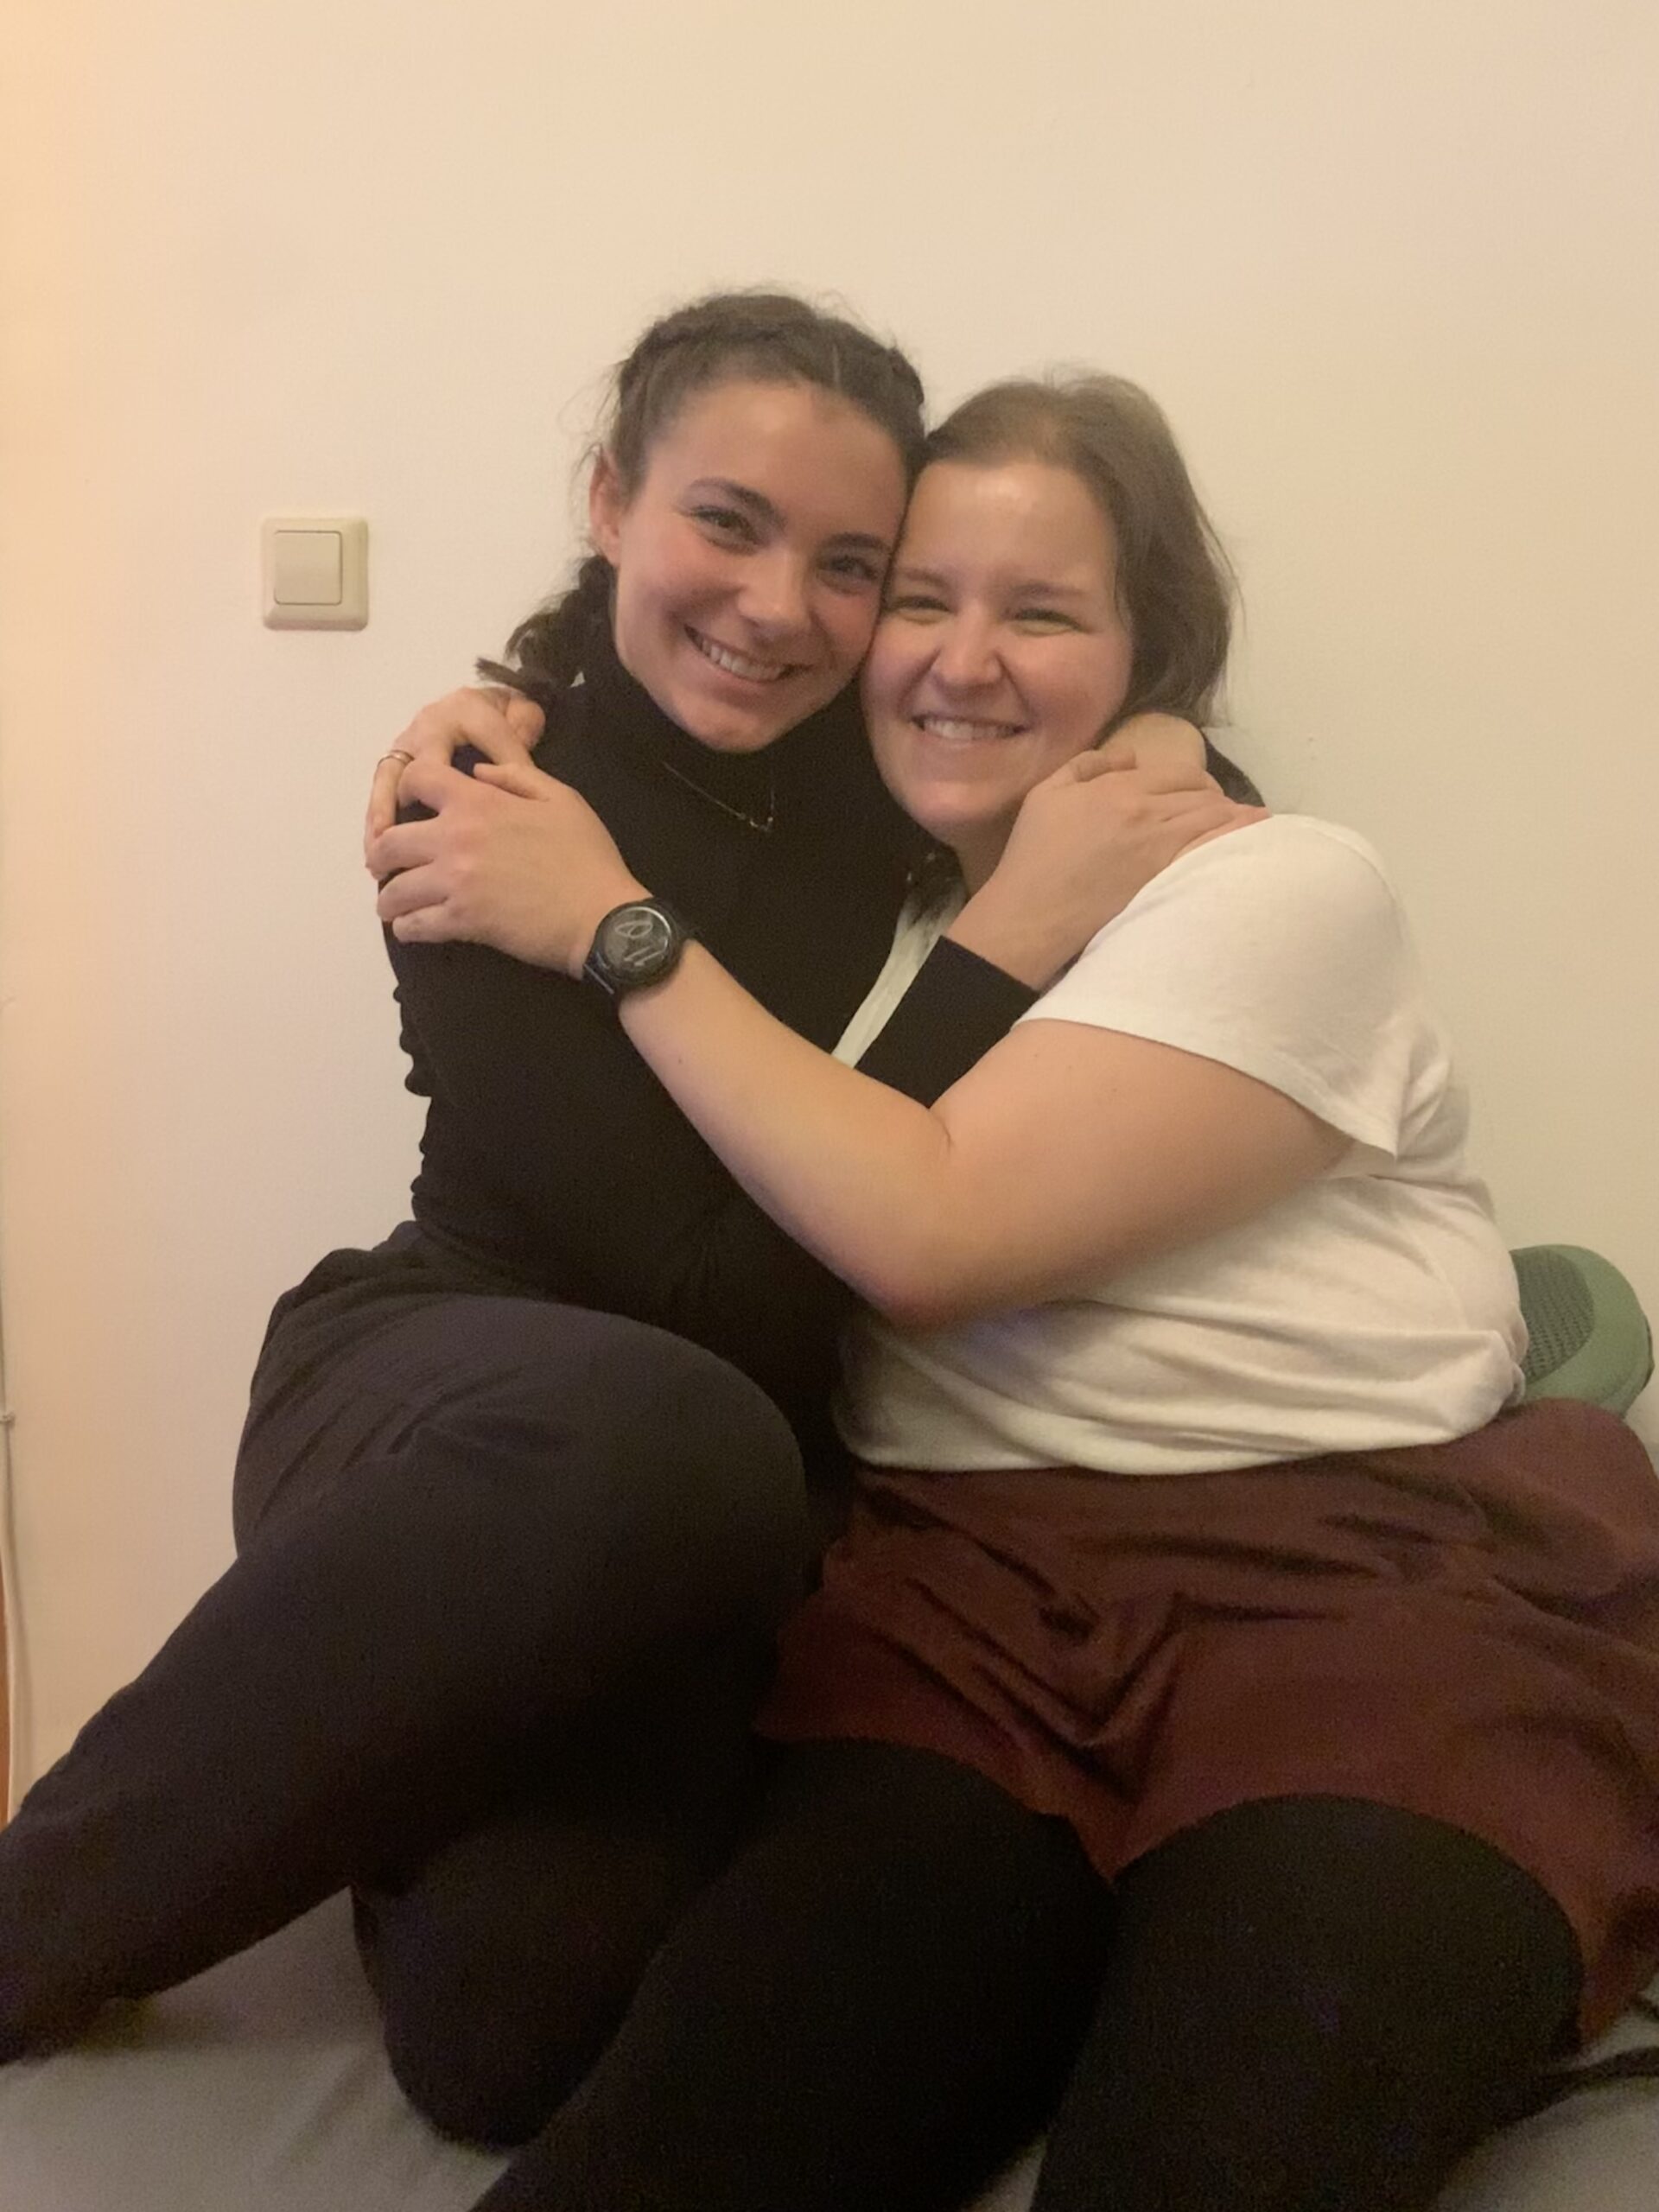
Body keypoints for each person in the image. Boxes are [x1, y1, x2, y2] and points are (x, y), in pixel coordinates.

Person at [368, 373, 1659, 2212]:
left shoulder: (1281, 889)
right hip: (964, 1622)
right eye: (919, 596)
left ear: (1151, 657)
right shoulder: (851, 938)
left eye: (1041, 612)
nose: (962, 660)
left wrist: (612, 922)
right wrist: (492, 714)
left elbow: (924, 1227)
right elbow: (671, 684)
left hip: (1365, 1603)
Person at [0, 293, 1253, 2159]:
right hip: (453, 1389)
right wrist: (986, 950)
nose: (778, 607)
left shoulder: (881, 767)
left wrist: (1150, 731)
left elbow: (1102, 720)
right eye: (725, 523)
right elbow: (723, 1295)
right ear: (609, 501)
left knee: (514, 2040)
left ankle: (425, 1721)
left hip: (711, 1508)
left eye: (852, 564)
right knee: (681, 1421)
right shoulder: (488, 798)